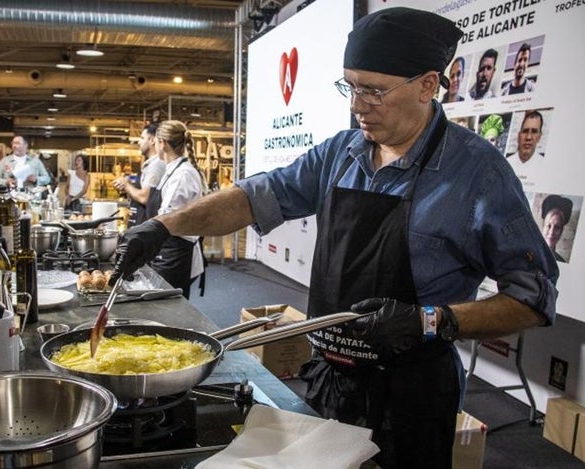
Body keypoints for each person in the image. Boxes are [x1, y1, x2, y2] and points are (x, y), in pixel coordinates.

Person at [109, 7, 558, 468]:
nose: (357, 104)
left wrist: (432, 320)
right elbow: (252, 197)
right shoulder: (339, 154)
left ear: (427, 85)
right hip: (331, 379)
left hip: (412, 397)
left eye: (375, 90)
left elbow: (532, 298)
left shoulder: (478, 175)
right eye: (351, 86)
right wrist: (165, 225)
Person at [143, 120, 205, 299]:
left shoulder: (183, 174)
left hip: (176, 254)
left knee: (169, 308)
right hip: (166, 249)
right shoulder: (172, 171)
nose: (153, 144)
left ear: (163, 144)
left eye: (155, 140)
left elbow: (167, 218)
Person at [112, 122, 167, 227]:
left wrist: (126, 185)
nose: (139, 141)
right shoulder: (150, 164)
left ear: (152, 140)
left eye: (142, 138)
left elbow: (144, 197)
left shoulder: (157, 165)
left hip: (146, 226)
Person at [506, 110, 544, 179]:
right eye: (525, 131)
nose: (528, 137)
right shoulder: (506, 163)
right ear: (519, 135)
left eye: (534, 132)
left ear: (539, 137)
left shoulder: (543, 164)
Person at [540, 194, 573, 262]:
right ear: (543, 227)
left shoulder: (560, 261)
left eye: (557, 227)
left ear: (561, 231)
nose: (552, 232)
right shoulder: (529, 253)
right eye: (549, 226)